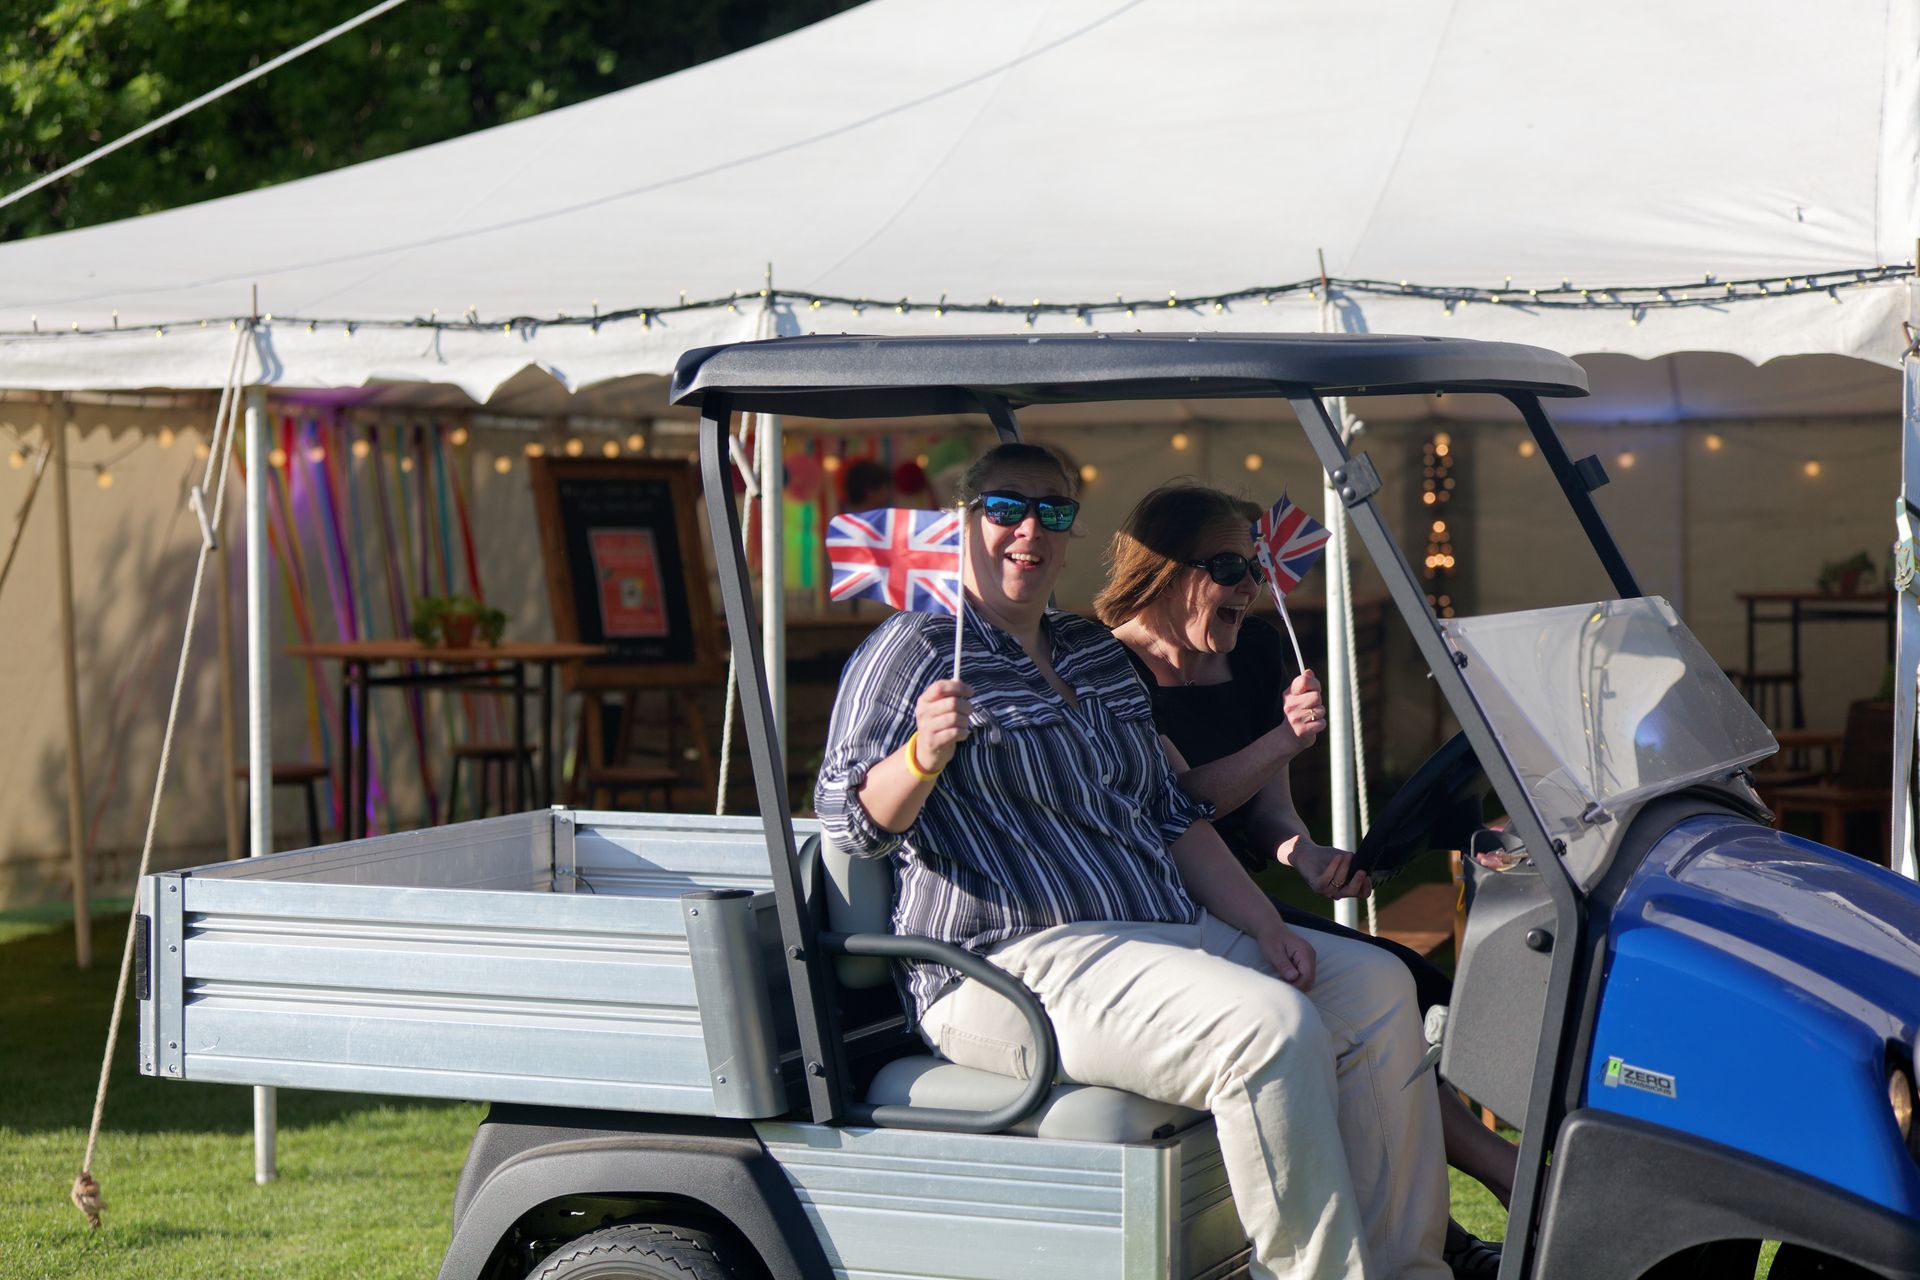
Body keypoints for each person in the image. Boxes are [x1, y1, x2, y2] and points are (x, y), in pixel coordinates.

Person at [816, 443, 1450, 1280]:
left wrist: (1264, 924)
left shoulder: (1086, 650)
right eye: (1005, 508)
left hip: (1158, 932)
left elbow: (1164, 813)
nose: (1028, 530)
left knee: (1375, 987)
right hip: (1006, 960)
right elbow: (849, 823)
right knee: (1268, 1027)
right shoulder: (918, 648)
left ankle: (1410, 1269)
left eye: (1054, 509)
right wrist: (923, 756)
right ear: (964, 523)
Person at [1094, 482, 1516, 1276]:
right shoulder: (1109, 667)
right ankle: (1500, 1184)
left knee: (1400, 983)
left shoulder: (1250, 651)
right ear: (1164, 568)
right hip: (1160, 907)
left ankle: (1435, 1237)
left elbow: (1266, 818)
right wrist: (1284, 743)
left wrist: (1307, 856)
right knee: (1372, 986)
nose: (1250, 588)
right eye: (1228, 567)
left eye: (1253, 568)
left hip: (1238, 896)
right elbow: (1180, 804)